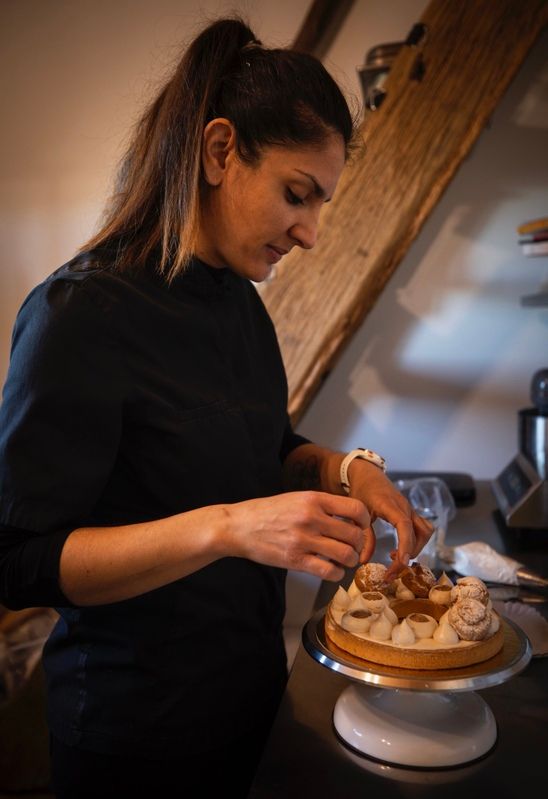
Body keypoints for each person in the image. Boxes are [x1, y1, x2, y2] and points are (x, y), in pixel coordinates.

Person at [0, 17, 433, 799]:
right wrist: (228, 526)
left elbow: (258, 446)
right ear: (220, 149)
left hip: (252, 702)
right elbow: (20, 560)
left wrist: (344, 469)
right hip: (136, 739)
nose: (309, 231)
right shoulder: (79, 313)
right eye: (297, 195)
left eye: (321, 203)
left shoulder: (240, 307)